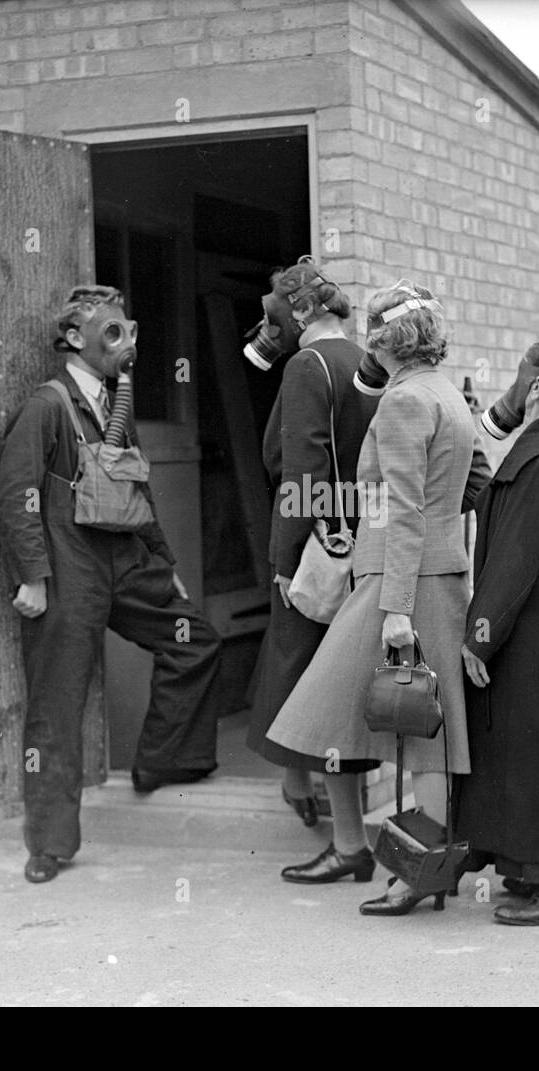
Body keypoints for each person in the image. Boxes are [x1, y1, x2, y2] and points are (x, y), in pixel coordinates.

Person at [265, 280, 491, 914]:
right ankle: (408, 866)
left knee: (407, 734)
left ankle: (415, 873)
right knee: (422, 735)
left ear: (383, 339)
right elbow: (467, 486)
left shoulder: (402, 402)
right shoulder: (443, 392)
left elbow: (404, 511)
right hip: (432, 577)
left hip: (401, 584)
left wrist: (395, 608)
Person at [0, 285, 222, 884]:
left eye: (127, 329)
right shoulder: (47, 407)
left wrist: (163, 561)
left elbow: (136, 487)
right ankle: (48, 845)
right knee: (58, 703)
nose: (123, 342)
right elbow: (14, 494)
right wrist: (33, 578)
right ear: (74, 339)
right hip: (68, 567)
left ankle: (163, 762)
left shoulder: (114, 402)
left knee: (194, 638)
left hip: (123, 554)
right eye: (109, 330)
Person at [453, 344, 539, 926]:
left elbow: (513, 561)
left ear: (536, 389)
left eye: (520, 380)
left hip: (533, 641)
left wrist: (478, 637)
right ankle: (537, 876)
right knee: (534, 754)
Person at [245, 260, 378, 825]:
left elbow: (304, 476)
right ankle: (313, 792)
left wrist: (285, 558)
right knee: (331, 673)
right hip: (361, 539)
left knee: (301, 673)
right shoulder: (369, 364)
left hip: (319, 547)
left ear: (304, 311)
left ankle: (309, 797)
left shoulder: (307, 364)